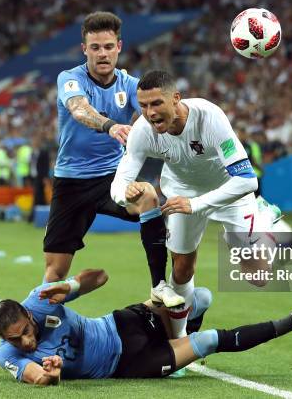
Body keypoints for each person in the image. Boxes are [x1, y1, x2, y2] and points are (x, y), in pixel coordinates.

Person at [110, 70, 279, 341]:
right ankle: (178, 342)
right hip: (181, 194)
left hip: (228, 191)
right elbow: (119, 183)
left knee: (258, 277)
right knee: (181, 269)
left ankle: (265, 218)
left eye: (156, 104)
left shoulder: (210, 118)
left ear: (176, 98)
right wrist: (126, 194)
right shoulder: (143, 131)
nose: (149, 113)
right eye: (143, 105)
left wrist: (196, 204)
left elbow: (247, 181)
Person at [0, 269, 292, 385]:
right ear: (2, 339)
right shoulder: (6, 355)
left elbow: (100, 277)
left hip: (121, 323)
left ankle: (181, 335)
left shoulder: (41, 299)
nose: (26, 340)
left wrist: (69, 287)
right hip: (127, 365)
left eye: (26, 330)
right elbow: (36, 377)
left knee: (200, 297)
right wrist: (51, 375)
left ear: (27, 312)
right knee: (208, 341)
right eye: (16, 338)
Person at [46, 12, 181, 308]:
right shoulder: (69, 79)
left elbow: (154, 113)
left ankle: (159, 285)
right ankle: (45, 322)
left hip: (111, 178)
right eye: (95, 47)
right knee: (55, 271)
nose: (102, 53)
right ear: (85, 50)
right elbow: (79, 110)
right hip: (70, 181)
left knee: (148, 197)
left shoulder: (132, 85)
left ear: (119, 46)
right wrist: (111, 125)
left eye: (108, 46)